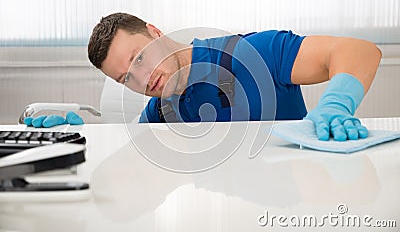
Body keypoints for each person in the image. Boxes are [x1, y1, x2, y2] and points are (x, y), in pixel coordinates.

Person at [88, 12, 381, 141]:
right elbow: (127, 159)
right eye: (126, 78)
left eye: (139, 58)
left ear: (155, 31)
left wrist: (337, 103)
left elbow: (359, 51)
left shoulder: (252, 54)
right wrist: (68, 139)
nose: (143, 79)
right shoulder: (160, 114)